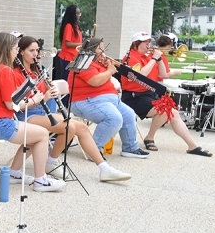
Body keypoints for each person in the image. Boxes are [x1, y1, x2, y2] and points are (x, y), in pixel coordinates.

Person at [13, 36, 131, 182]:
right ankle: (51, 162)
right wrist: (44, 97)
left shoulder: (37, 70)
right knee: (69, 126)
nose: (36, 54)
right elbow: (17, 105)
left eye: (37, 50)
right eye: (31, 51)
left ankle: (104, 169)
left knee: (81, 127)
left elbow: (43, 94)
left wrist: (49, 90)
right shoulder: (17, 74)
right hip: (27, 115)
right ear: (21, 52)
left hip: (41, 113)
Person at [0, 32, 66, 192]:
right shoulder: (5, 70)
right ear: (7, 50)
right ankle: (41, 180)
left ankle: (14, 173)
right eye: (15, 48)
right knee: (43, 134)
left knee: (34, 138)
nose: (16, 52)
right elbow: (11, 105)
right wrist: (35, 100)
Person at [120, 32, 212, 156]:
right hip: (134, 96)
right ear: (136, 43)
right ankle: (150, 137)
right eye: (145, 42)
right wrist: (153, 59)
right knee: (165, 110)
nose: (149, 44)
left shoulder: (148, 56)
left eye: (149, 41)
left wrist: (159, 58)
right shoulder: (131, 56)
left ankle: (192, 146)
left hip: (149, 93)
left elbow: (163, 74)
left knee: (173, 112)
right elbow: (141, 75)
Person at [68, 38, 150, 159]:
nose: (103, 51)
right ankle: (94, 150)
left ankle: (130, 148)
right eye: (100, 48)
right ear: (90, 49)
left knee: (129, 114)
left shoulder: (99, 62)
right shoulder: (83, 63)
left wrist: (107, 67)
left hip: (108, 99)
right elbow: (95, 81)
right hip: (86, 100)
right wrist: (110, 71)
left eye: (103, 47)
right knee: (114, 119)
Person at [57, 5, 82, 81]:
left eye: (79, 13)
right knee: (68, 80)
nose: (78, 16)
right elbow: (67, 43)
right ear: (71, 14)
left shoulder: (76, 27)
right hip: (67, 57)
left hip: (74, 57)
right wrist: (81, 45)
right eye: (76, 13)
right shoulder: (69, 26)